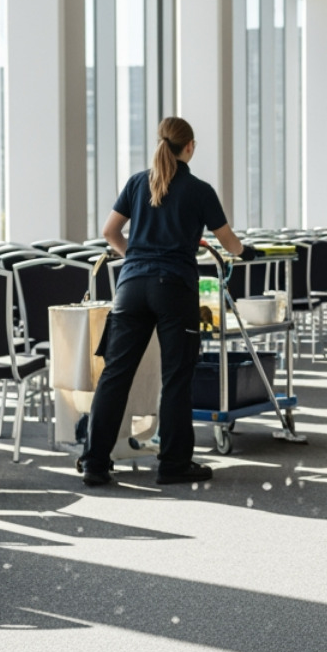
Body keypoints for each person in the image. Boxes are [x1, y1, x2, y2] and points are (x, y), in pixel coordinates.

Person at [80, 116, 262, 488]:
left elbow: (109, 231)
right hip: (174, 289)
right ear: (189, 147)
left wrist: (136, 257)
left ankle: (95, 463)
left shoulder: (137, 182)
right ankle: (173, 464)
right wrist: (247, 253)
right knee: (176, 377)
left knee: (116, 374)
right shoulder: (200, 190)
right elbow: (230, 243)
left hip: (131, 286)